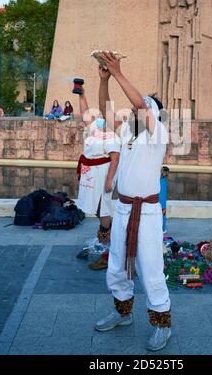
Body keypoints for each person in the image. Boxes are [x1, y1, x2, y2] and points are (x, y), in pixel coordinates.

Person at [94, 51, 171, 352]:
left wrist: (117, 71)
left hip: (148, 212)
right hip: (124, 208)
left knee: (150, 268)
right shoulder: (128, 131)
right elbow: (104, 110)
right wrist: (104, 80)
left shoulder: (158, 133)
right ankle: (122, 313)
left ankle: (162, 324)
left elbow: (140, 103)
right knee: (117, 266)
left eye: (144, 108)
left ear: (152, 113)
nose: (136, 110)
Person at [77, 84, 120, 270]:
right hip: (90, 175)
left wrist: (110, 180)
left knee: (104, 209)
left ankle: (107, 247)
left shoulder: (112, 135)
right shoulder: (96, 127)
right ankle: (105, 238)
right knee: (95, 209)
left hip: (103, 174)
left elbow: (115, 157)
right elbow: (85, 113)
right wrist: (82, 94)